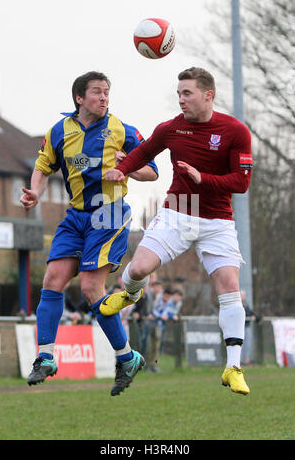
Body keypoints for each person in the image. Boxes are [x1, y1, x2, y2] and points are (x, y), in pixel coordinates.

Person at [103, 67, 253, 395]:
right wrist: (121, 169)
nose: (181, 98)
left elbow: (241, 182)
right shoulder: (171, 128)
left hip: (218, 222)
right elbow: (143, 153)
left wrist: (204, 179)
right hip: (178, 212)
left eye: (187, 93)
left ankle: (233, 366)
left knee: (229, 286)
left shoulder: (235, 131)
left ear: (208, 95)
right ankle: (130, 293)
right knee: (140, 268)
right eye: (179, 93)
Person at [20, 71, 158, 396]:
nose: (104, 97)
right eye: (97, 92)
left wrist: (128, 167)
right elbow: (43, 164)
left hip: (109, 213)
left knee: (90, 287)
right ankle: (46, 357)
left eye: (107, 92)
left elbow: (152, 171)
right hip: (76, 216)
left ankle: (126, 357)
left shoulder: (121, 129)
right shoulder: (59, 131)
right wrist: (37, 192)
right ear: (79, 99)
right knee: (52, 279)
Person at [146, 288, 178, 372]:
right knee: (149, 346)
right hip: (151, 325)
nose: (167, 298)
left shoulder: (168, 304)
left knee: (157, 348)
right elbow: (153, 312)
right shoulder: (158, 301)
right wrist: (160, 316)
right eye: (167, 296)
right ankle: (147, 366)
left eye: (169, 297)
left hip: (159, 327)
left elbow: (167, 314)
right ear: (164, 295)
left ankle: (155, 366)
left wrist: (171, 316)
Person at [240, 290, 260, 365]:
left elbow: (250, 313)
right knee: (240, 344)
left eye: (243, 295)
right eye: (241, 295)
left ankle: (246, 359)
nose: (243, 297)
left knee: (247, 344)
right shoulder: (238, 305)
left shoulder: (246, 305)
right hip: (240, 329)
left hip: (247, 327)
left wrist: (256, 318)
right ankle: (239, 360)